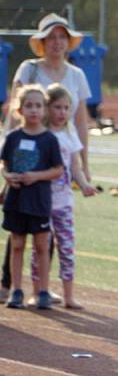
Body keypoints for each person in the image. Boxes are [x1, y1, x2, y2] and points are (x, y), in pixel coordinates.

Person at [28, 84, 96, 310]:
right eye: (57, 107)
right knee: (40, 248)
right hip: (41, 202)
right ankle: (38, 291)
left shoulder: (69, 133)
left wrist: (85, 185)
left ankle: (68, 295)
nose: (62, 113)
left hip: (63, 202)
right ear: (48, 108)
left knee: (67, 247)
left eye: (67, 108)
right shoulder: (41, 135)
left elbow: (74, 166)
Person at [6, 14, 93, 181]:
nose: (57, 42)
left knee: (61, 204)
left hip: (64, 152)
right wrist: (10, 151)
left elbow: (81, 122)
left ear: (68, 42)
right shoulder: (28, 69)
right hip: (33, 150)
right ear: (43, 42)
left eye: (62, 37)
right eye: (51, 37)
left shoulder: (77, 75)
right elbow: (14, 114)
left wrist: (84, 165)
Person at [2, 85, 63, 309]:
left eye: (38, 105)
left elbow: (58, 169)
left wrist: (36, 176)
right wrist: (8, 177)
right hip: (16, 201)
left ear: (44, 110)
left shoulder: (49, 140)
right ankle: (16, 289)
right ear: (20, 110)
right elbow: (5, 165)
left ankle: (43, 291)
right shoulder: (13, 137)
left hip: (38, 201)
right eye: (29, 106)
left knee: (41, 245)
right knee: (17, 244)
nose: (34, 110)